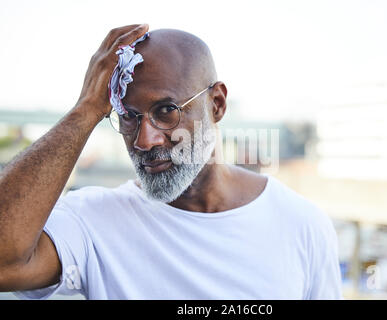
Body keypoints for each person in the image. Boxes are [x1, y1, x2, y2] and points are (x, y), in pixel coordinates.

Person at [0, 24, 342, 299]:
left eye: (166, 111)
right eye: (128, 116)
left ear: (217, 104)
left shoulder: (302, 225)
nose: (144, 140)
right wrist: (86, 109)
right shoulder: (94, 222)